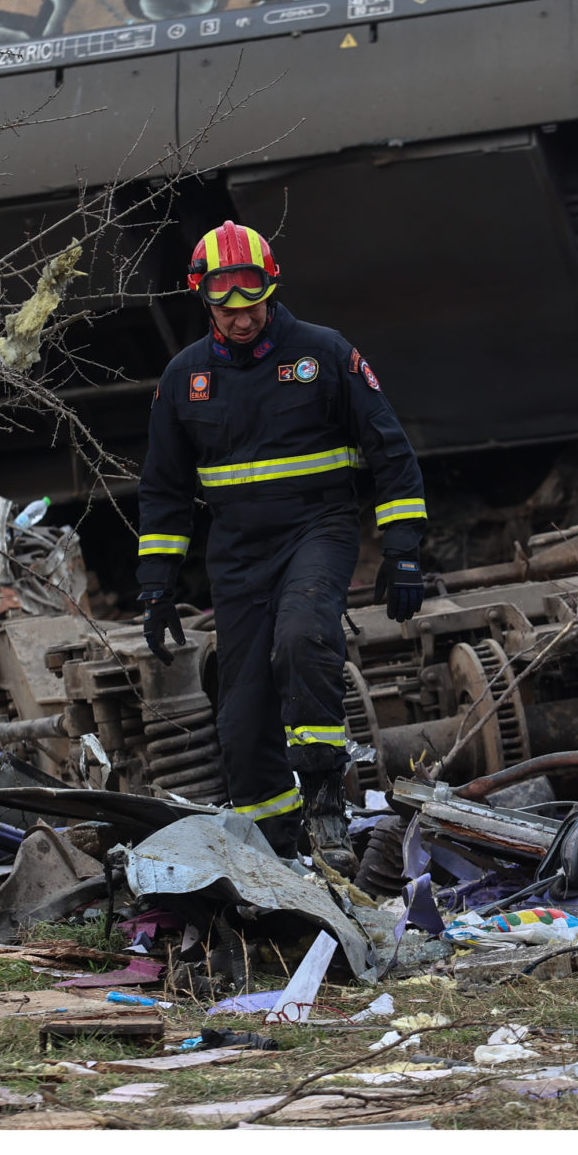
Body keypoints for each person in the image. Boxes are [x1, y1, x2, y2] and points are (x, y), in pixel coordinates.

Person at [134, 222, 427, 872]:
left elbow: (390, 452)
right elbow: (165, 491)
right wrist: (155, 585)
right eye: (227, 309)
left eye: (254, 305)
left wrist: (403, 549)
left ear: (271, 289)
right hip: (236, 554)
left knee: (302, 637)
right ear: (203, 301)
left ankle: (324, 801)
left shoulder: (324, 354)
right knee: (242, 716)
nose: (242, 320)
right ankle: (279, 853)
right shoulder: (184, 380)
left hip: (317, 530)